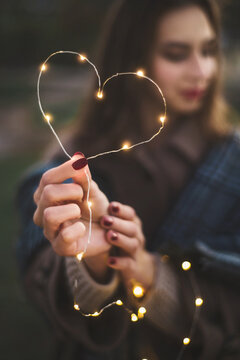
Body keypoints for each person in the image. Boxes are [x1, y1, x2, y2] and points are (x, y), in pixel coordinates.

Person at [16, 0, 240, 359]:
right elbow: (42, 274)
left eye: (210, 50)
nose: (202, 71)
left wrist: (149, 273)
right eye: (176, 53)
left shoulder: (232, 161)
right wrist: (92, 263)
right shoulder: (70, 163)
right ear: (132, 56)